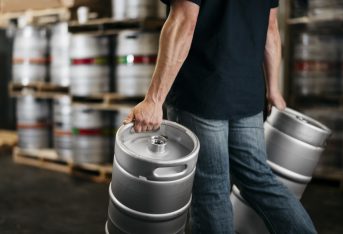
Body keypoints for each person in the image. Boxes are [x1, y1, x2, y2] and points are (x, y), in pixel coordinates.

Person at [124, 0, 317, 233]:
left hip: (203, 94)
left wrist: (154, 100)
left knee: (211, 191)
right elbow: (271, 28)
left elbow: (184, 21)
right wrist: (273, 89)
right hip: (247, 94)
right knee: (259, 180)